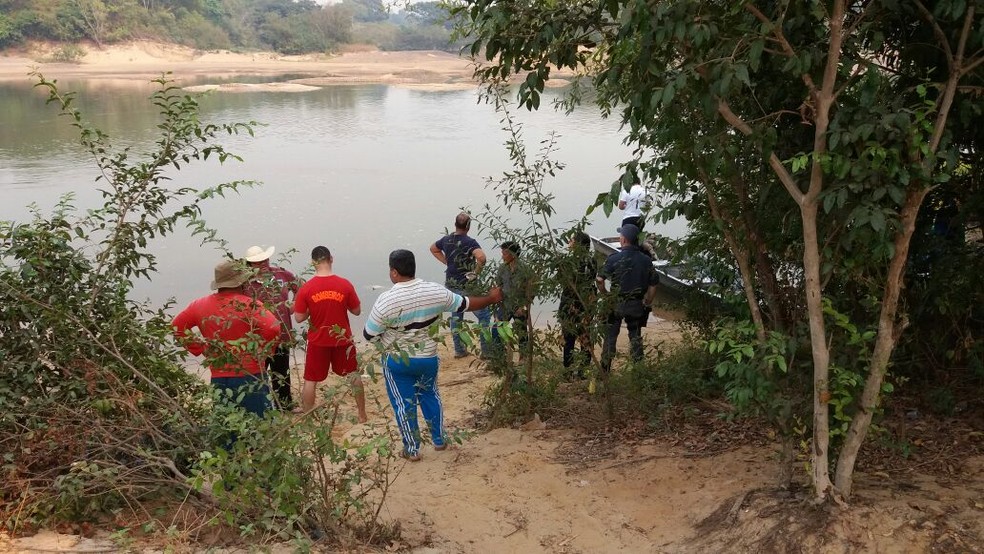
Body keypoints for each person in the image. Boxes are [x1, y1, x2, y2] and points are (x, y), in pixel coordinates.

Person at [364, 249, 503, 461]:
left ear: (393, 272)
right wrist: (491, 298)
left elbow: (370, 334)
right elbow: (466, 304)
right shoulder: (435, 291)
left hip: (398, 360)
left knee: (404, 404)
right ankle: (439, 440)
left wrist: (386, 343)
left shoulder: (386, 300)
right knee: (430, 395)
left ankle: (411, 449)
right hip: (428, 358)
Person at [173, 259, 280, 418]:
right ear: (242, 282)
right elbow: (273, 327)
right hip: (251, 374)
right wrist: (264, 351)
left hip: (219, 376)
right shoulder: (251, 305)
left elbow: (177, 327)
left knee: (226, 428)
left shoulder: (199, 305)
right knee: (259, 427)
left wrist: (201, 348)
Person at [293, 246, 367, 421]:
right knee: (353, 374)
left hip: (318, 341)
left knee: (311, 380)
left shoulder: (307, 288)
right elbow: (356, 311)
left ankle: (308, 417)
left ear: (313, 263)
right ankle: (362, 414)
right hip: (342, 339)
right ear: (331, 259)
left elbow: (298, 318)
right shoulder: (344, 284)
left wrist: (312, 309)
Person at [242, 244, 300, 410]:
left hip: (282, 334)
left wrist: (294, 304)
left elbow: (300, 287)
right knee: (257, 374)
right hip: (258, 338)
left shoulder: (282, 274)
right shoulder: (245, 283)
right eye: (257, 262)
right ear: (249, 265)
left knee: (282, 372)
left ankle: (285, 406)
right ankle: (258, 407)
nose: (263, 264)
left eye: (265, 259)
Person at [429, 212, 493, 359]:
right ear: (468, 226)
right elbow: (482, 258)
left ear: (455, 224)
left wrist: (447, 262)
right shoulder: (470, 242)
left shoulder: (447, 239)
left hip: (451, 283)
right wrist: (476, 273)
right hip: (467, 285)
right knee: (483, 314)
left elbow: (433, 248)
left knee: (456, 317)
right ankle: (487, 351)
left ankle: (459, 349)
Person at [597, 224, 658, 372]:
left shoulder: (614, 258)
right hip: (636, 304)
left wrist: (606, 294)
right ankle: (638, 371)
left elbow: (599, 279)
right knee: (635, 336)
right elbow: (653, 284)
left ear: (623, 240)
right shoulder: (646, 260)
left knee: (610, 337)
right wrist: (648, 301)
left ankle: (605, 371)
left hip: (616, 303)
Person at [558, 231, 597, 375]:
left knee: (569, 337)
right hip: (587, 300)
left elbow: (564, 281)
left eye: (572, 240)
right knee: (585, 336)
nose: (569, 242)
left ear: (578, 244)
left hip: (571, 301)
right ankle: (583, 370)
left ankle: (568, 370)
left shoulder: (570, 262)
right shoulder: (592, 260)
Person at [494, 240, 536, 360]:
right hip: (505, 305)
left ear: (513, 254)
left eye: (505, 253)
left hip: (520, 306)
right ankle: (499, 357)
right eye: (502, 252)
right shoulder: (502, 268)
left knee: (522, 332)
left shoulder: (525, 269)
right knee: (496, 329)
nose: (502, 256)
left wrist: (523, 306)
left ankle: (524, 357)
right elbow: (499, 286)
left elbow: (532, 290)